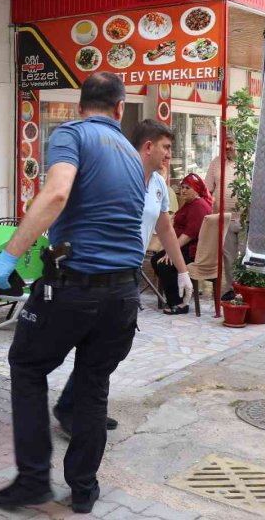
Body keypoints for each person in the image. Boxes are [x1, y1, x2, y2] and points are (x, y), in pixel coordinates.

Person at [0, 72, 152, 514]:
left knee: (27, 365)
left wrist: (8, 257)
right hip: (124, 293)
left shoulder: (72, 135)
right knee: (93, 386)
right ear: (120, 109)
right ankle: (83, 489)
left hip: (75, 287)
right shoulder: (132, 155)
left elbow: (57, 193)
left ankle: (33, 481)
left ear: (81, 106)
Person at [52, 119, 193, 435]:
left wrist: (183, 271)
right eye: (166, 147)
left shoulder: (158, 184)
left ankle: (85, 405)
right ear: (148, 147)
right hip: (97, 270)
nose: (169, 154)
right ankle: (74, 408)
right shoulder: (112, 176)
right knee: (98, 346)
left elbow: (165, 228)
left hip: (128, 273)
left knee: (111, 348)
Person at [151, 173, 213, 314]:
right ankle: (177, 294)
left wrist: (171, 251)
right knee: (156, 259)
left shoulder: (198, 206)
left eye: (187, 188)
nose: (183, 190)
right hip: (185, 247)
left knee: (164, 264)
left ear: (196, 190)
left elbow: (189, 234)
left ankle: (180, 303)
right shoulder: (190, 204)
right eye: (182, 187)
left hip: (192, 250)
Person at [205, 135, 240, 300]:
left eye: (231, 143)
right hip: (224, 219)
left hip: (245, 219)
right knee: (229, 257)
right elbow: (207, 190)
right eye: (225, 143)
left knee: (246, 257)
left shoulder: (246, 164)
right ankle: (232, 289)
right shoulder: (216, 163)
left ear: (238, 144)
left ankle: (245, 289)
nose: (227, 146)